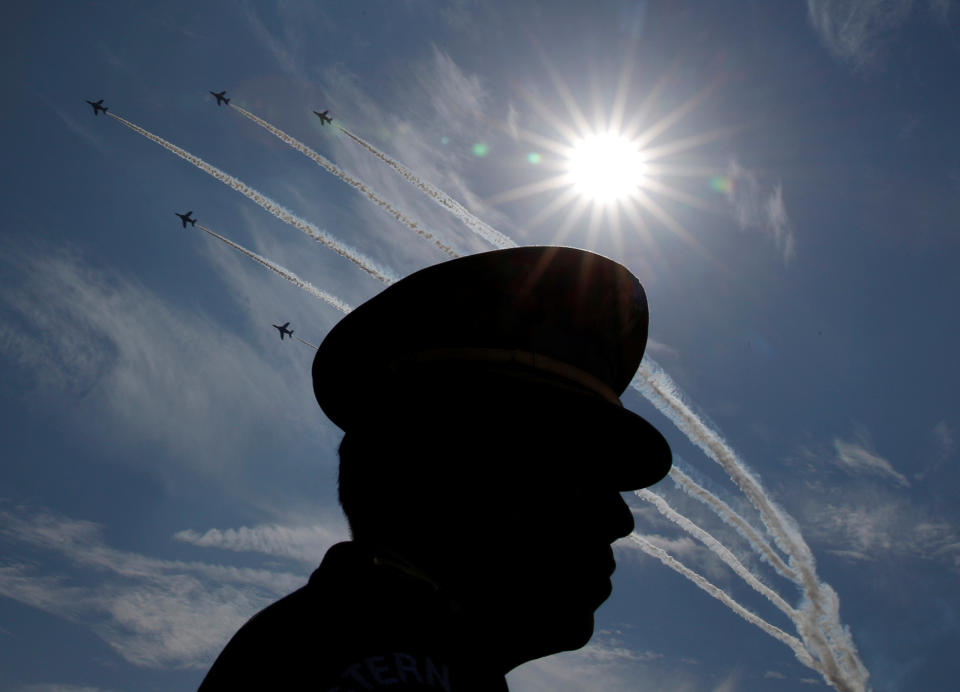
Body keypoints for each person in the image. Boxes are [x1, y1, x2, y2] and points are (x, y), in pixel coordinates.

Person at [198, 246, 672, 691]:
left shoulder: (354, 653)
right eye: (575, 473)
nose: (620, 519)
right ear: (446, 472)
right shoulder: (383, 668)